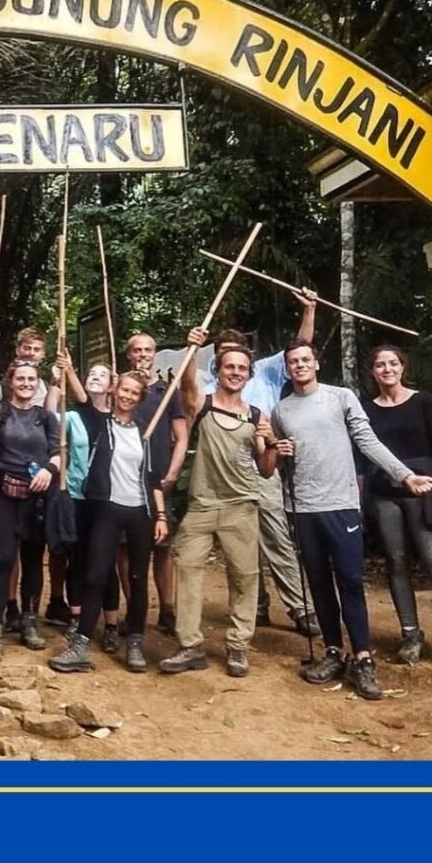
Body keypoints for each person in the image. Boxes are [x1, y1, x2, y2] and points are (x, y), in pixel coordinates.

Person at [269, 340, 432, 700]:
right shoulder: (280, 411)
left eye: (305, 359)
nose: (300, 365)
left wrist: (404, 475)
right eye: (293, 361)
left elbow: (367, 440)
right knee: (318, 583)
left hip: (341, 504)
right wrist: (278, 452)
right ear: (287, 368)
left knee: (349, 581)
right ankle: (333, 651)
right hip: (302, 509)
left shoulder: (340, 397)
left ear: (316, 363)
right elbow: (278, 462)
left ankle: (363, 658)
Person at [197, 289, 320, 638]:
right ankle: (256, 606)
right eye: (223, 353)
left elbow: (301, 347)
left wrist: (309, 310)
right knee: (238, 544)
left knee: (276, 536)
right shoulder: (207, 385)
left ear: (247, 357)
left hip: (262, 464)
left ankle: (301, 607)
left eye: (236, 353)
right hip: (224, 472)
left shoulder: (265, 372)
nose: (231, 362)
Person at [160, 334, 276, 678]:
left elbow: (265, 469)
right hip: (202, 505)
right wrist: (193, 347)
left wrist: (273, 446)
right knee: (187, 568)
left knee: (244, 577)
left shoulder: (257, 415)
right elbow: (187, 384)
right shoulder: (203, 404)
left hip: (242, 506)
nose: (236, 372)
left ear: (249, 374)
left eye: (242, 368)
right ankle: (190, 646)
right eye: (230, 367)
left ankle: (238, 645)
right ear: (219, 370)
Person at [49, 371, 168, 673]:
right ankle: (81, 645)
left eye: (134, 393)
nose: (127, 396)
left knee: (137, 579)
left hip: (140, 511)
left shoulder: (145, 431)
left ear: (140, 399)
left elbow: (153, 477)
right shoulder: (101, 424)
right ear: (115, 391)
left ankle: (136, 643)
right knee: (95, 575)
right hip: (106, 508)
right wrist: (67, 371)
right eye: (124, 390)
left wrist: (161, 516)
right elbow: (83, 400)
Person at [361, 345, 432, 668]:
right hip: (384, 495)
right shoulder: (366, 410)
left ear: (403, 367)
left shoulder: (424, 402)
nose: (387, 369)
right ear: (372, 372)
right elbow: (362, 458)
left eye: (393, 363)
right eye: (380, 365)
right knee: (397, 562)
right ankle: (411, 635)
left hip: (426, 493)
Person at [0, 360, 61, 662]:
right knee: (1, 559)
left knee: (33, 560)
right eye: (20, 378)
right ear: (11, 382)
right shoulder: (0, 411)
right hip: (2, 492)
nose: (26, 383)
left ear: (37, 383)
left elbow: (57, 452)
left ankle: (29, 621)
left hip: (36, 494)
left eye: (31, 379)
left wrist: (50, 470)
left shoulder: (46, 417)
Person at [44, 351, 122, 651]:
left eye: (102, 375)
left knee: (105, 563)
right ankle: (76, 618)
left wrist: (70, 370)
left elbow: (91, 405)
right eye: (92, 374)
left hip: (107, 498)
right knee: (76, 558)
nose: (95, 378)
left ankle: (112, 624)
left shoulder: (116, 418)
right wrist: (56, 382)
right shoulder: (74, 416)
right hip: (76, 495)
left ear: (112, 385)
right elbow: (50, 419)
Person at [122, 332, 189, 634]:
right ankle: (133, 610)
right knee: (124, 549)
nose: (142, 355)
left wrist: (173, 473)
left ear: (154, 354)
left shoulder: (167, 390)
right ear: (129, 355)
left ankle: (167, 610)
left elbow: (181, 437)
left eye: (148, 350)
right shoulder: (122, 389)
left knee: (162, 547)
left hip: (159, 480)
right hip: (125, 480)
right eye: (137, 350)